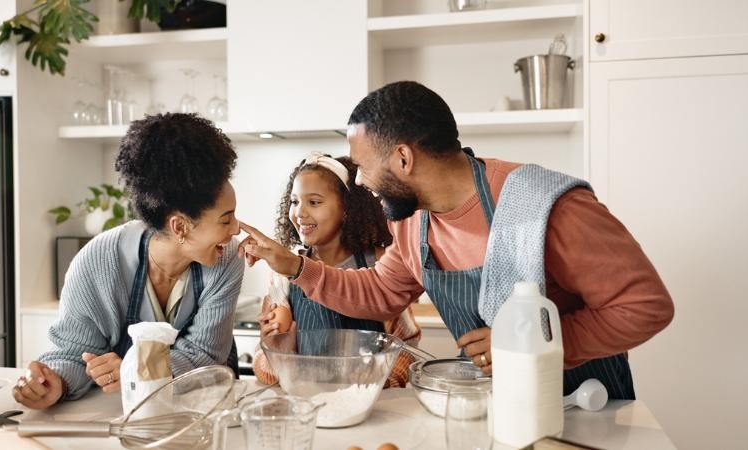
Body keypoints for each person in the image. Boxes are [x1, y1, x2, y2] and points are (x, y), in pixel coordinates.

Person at [240, 81, 674, 400]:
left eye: (361, 165)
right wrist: (294, 266)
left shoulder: (547, 205)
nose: (359, 180)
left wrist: (532, 340)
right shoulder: (413, 220)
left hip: (585, 403)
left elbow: (646, 306)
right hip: (495, 403)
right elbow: (379, 292)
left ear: (404, 158)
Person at [13, 113, 245, 409]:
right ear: (180, 227)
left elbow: (205, 354)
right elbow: (74, 354)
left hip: (203, 409)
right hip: (119, 413)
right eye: (226, 220)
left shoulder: (226, 260)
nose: (236, 229)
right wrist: (53, 382)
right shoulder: (97, 261)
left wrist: (136, 369)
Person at [252, 153, 421, 388]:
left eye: (314, 202)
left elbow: (407, 344)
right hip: (309, 403)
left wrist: (385, 380)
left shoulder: (381, 263)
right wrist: (277, 352)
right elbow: (264, 365)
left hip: (369, 403)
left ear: (346, 208)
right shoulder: (284, 274)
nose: (299, 213)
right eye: (294, 201)